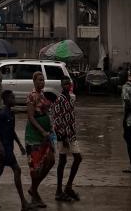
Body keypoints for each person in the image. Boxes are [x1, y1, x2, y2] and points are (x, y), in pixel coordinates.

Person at [0, 89, 31, 210]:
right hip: (5, 149)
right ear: (5, 100)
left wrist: (20, 145)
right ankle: (23, 202)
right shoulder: (2, 113)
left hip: (9, 147)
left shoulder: (11, 113)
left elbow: (12, 131)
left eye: (14, 97)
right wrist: (0, 145)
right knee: (17, 170)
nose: (14, 100)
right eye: (11, 98)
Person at [25, 70, 55, 208]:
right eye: (39, 80)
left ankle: (34, 189)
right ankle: (35, 194)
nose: (41, 82)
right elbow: (31, 117)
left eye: (43, 80)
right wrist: (42, 131)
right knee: (36, 167)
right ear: (34, 81)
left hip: (46, 134)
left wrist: (50, 129)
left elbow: (46, 112)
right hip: (34, 135)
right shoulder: (31, 96)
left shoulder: (42, 95)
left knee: (50, 161)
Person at [52, 74, 82, 202]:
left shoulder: (70, 99)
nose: (67, 86)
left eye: (68, 84)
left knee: (78, 158)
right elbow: (57, 119)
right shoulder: (59, 100)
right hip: (63, 136)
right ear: (61, 86)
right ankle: (59, 191)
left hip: (71, 135)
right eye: (64, 84)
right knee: (62, 161)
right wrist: (62, 136)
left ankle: (68, 187)